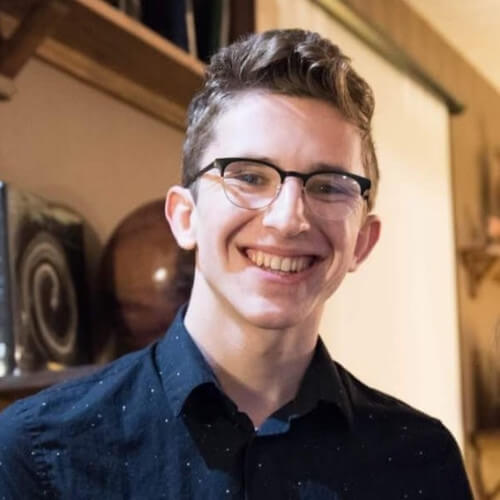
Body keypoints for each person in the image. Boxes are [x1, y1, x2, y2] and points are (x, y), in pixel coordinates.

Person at [0, 29, 473, 499]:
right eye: (248, 176)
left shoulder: (423, 463)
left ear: (362, 243)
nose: (288, 218)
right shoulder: (40, 455)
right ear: (185, 217)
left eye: (329, 186)